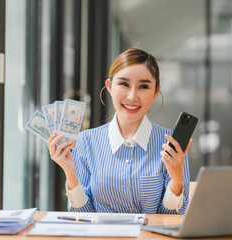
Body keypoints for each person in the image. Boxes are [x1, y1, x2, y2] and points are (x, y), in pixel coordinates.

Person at [47, 48, 192, 214]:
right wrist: (70, 172)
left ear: (155, 92)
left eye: (143, 86)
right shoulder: (87, 141)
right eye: (124, 84)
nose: (132, 96)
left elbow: (171, 221)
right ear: (109, 86)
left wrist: (177, 180)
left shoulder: (171, 145)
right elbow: (83, 217)